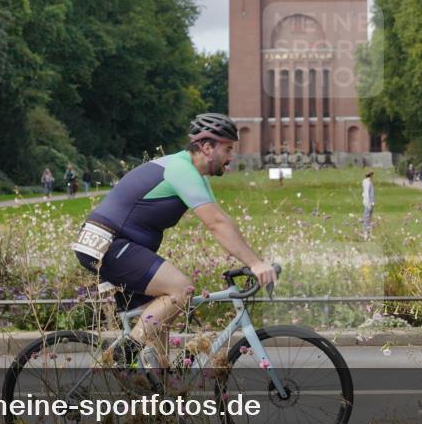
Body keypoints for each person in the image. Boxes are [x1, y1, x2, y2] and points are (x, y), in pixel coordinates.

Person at [72, 113, 277, 374]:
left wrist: (253, 260)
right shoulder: (181, 170)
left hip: (117, 244)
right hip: (109, 243)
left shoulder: (194, 175)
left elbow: (222, 219)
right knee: (180, 290)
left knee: (160, 325)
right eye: (228, 148)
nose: (231, 156)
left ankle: (158, 397)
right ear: (206, 147)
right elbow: (216, 225)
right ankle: (121, 357)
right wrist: (256, 264)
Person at [361, 170, 375, 236]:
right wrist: (370, 203)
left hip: (368, 202)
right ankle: (366, 233)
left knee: (368, 218)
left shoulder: (367, 182)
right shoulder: (368, 183)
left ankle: (368, 232)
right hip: (368, 203)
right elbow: (368, 194)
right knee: (367, 217)